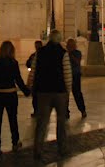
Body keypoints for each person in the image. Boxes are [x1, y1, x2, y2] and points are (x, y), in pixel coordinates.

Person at [31, 30, 73, 160]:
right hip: (59, 91)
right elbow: (67, 74)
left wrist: (31, 86)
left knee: (42, 122)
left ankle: (38, 149)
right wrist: (68, 90)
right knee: (61, 122)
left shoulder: (40, 52)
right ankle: (63, 148)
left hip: (43, 91)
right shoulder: (63, 53)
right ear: (59, 40)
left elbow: (33, 70)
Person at [0, 40, 31, 156]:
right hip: (10, 94)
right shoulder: (13, 63)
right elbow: (18, 80)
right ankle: (15, 142)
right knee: (13, 120)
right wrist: (27, 91)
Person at [65, 37, 86, 119]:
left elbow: (77, 62)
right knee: (65, 94)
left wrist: (70, 55)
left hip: (75, 75)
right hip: (67, 75)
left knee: (77, 93)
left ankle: (82, 110)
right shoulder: (65, 53)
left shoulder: (77, 53)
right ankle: (65, 112)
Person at [26, 39, 42, 117]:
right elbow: (28, 63)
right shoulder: (33, 55)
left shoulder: (40, 55)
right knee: (35, 97)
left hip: (41, 79)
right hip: (35, 80)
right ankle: (36, 111)